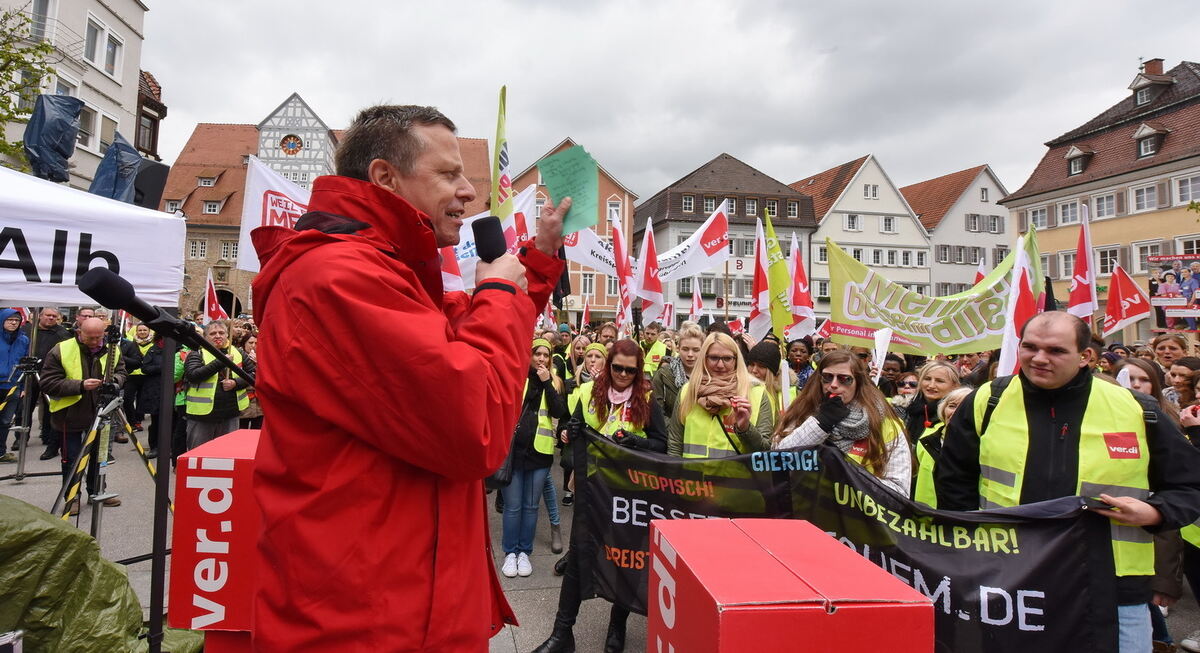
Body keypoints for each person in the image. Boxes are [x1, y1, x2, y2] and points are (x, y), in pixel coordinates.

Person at [249, 104, 567, 650]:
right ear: (384, 177)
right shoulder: (339, 277)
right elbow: (477, 430)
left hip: (405, 603)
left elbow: (462, 335)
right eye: (448, 174)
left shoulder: (383, 270)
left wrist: (536, 263)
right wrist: (499, 292)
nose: (469, 191)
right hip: (366, 622)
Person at [936, 312, 1200, 650]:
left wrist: (1156, 513)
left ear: (1086, 356)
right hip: (1011, 583)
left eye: (1056, 351)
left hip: (1114, 591)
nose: (1039, 358)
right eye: (1029, 347)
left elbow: (1189, 485)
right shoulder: (988, 401)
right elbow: (954, 486)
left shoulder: (1136, 408)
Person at [535, 339, 667, 653]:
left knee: (623, 559)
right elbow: (570, 428)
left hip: (629, 494)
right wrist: (569, 431)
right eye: (617, 367)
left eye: (629, 370)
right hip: (592, 490)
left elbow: (661, 445)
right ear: (609, 366)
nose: (622, 374)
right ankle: (561, 633)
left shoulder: (647, 400)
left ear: (638, 372)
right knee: (580, 557)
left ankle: (616, 627)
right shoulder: (588, 392)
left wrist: (636, 441)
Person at [774, 350, 911, 496]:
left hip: (856, 516)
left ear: (858, 383)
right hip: (806, 509)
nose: (833, 385)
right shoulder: (804, 412)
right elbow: (777, 459)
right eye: (827, 377)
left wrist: (843, 481)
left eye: (844, 379)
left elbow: (899, 491)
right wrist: (821, 423)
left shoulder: (885, 423)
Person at [39, 318, 126, 512]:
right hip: (70, 414)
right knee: (71, 459)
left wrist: (115, 382)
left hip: (101, 412)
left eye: (99, 337)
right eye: (90, 338)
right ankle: (73, 497)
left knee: (99, 457)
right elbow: (47, 382)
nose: (95, 342)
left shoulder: (113, 349)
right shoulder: (61, 350)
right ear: (80, 332)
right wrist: (80, 385)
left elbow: (122, 372)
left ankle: (96, 491)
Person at [499, 339, 567, 578]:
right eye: (537, 353)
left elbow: (559, 411)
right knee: (513, 506)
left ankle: (524, 552)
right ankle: (510, 552)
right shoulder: (518, 378)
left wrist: (547, 382)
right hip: (514, 453)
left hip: (540, 453)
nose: (541, 358)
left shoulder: (554, 382)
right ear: (528, 355)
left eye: (545, 355)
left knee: (530, 507)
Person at [667, 332, 774, 458]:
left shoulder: (757, 393)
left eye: (727, 358)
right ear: (704, 358)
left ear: (736, 360)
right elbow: (675, 444)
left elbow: (765, 452)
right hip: (693, 477)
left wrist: (745, 428)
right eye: (714, 358)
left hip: (735, 477)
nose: (720, 365)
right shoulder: (688, 391)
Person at [183, 321, 255, 451]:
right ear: (205, 337)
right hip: (202, 416)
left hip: (230, 414)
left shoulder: (238, 352)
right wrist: (220, 362)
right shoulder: (197, 353)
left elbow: (253, 375)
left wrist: (236, 383)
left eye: (221, 333)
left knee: (226, 454)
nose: (218, 336)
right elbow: (192, 376)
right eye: (213, 333)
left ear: (227, 335)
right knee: (199, 454)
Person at [912, 387, 971, 507]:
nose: (955, 412)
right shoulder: (927, 438)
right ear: (943, 409)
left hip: (965, 518)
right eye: (952, 406)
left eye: (964, 407)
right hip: (926, 515)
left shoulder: (982, 443)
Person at [32, 308, 71, 460]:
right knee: (24, 408)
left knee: (53, 410)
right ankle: (20, 437)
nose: (51, 318)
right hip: (31, 374)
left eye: (54, 316)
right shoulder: (30, 330)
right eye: (48, 315)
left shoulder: (63, 333)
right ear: (40, 316)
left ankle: (51, 442)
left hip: (54, 377)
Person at [652, 324, 703, 423]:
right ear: (678, 349)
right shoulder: (663, 375)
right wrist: (676, 431)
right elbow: (657, 412)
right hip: (671, 434)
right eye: (685, 349)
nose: (690, 355)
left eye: (696, 350)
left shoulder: (710, 375)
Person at [901, 361, 961, 443]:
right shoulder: (904, 407)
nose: (931, 385)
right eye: (927, 379)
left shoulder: (957, 413)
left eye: (939, 381)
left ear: (955, 386)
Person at [0, 310, 29, 462]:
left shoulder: (23, 340)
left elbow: (24, 365)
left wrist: (23, 387)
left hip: (13, 386)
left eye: (16, 320)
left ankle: (1, 451)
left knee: (5, 421)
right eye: (9, 319)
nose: (13, 323)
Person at [746, 340, 784, 416]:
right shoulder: (739, 391)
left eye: (761, 366)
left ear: (772, 371)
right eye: (751, 364)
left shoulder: (787, 394)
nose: (754, 370)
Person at [238, 334, 263, 430]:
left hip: (259, 405)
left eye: (256, 343)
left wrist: (258, 362)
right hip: (244, 403)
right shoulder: (238, 356)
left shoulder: (262, 357)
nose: (253, 346)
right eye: (250, 343)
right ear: (244, 344)